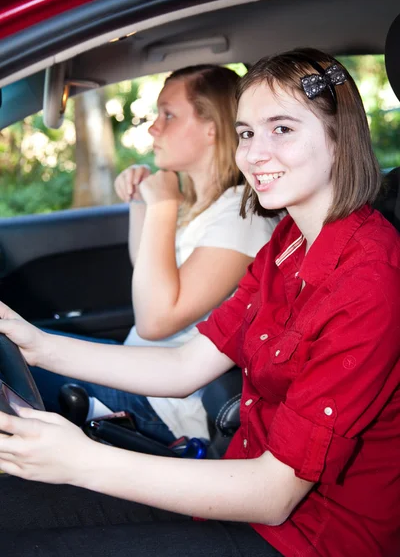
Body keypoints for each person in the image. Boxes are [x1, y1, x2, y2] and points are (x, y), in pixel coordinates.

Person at [0, 48, 399, 557]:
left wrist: (81, 462)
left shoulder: (369, 280)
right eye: (248, 132)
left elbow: (274, 495)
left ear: (341, 137)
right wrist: (37, 346)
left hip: (308, 538)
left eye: (282, 129)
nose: (254, 154)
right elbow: (186, 364)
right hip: (233, 486)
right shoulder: (287, 245)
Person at [32, 64, 279, 443]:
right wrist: (141, 204)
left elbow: (154, 320)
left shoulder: (243, 217)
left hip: (166, 405)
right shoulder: (205, 205)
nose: (153, 128)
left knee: (17, 359)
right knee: (25, 344)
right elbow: (149, 278)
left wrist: (163, 205)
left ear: (212, 127)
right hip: (142, 369)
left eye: (168, 114)